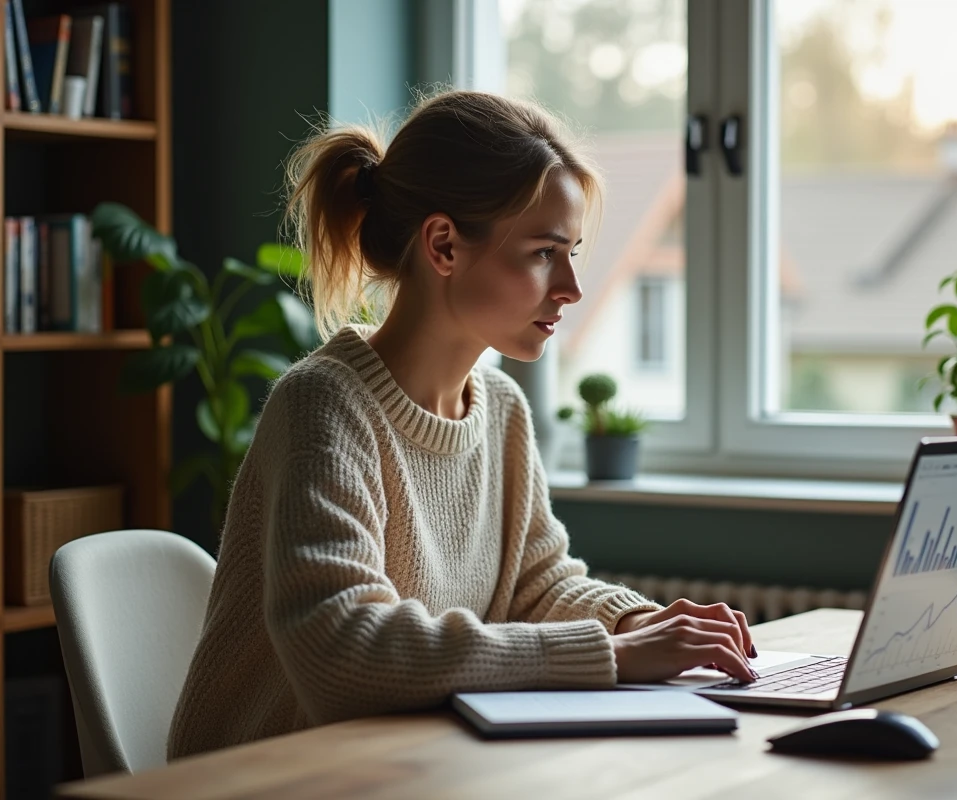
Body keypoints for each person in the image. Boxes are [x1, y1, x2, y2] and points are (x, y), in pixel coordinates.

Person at [168, 90, 757, 760]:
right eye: (543, 252)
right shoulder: (323, 409)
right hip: (268, 778)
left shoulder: (501, 409)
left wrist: (642, 622)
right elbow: (344, 653)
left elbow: (538, 586)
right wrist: (611, 654)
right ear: (443, 245)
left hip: (404, 765)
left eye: (572, 253)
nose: (571, 286)